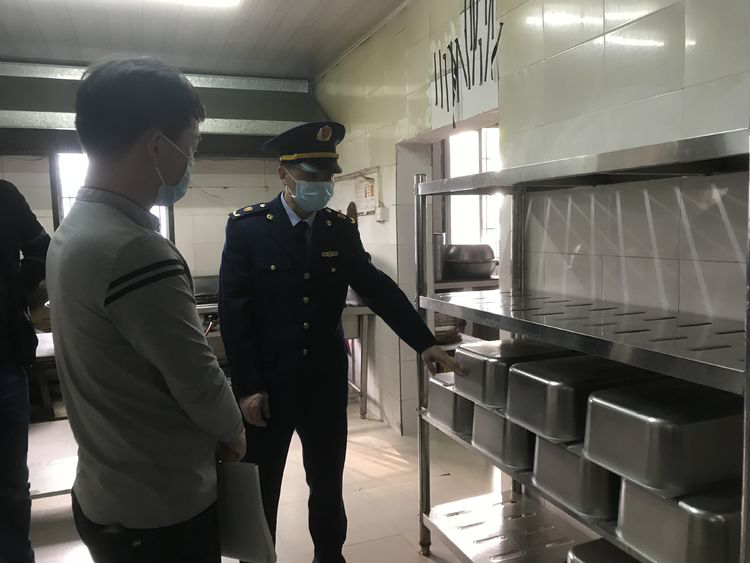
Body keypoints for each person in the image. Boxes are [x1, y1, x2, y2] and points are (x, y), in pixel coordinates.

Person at [219, 121, 460, 563]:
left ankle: (330, 557)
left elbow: (377, 288)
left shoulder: (338, 229)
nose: (322, 185)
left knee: (327, 483)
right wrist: (248, 386)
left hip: (324, 383)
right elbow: (235, 313)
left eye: (328, 176)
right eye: (311, 176)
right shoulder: (247, 228)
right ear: (284, 174)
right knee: (262, 485)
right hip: (268, 387)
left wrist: (424, 342)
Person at [46, 58, 245, 563]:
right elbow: (197, 378)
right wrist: (234, 430)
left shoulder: (73, 230)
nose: (190, 162)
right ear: (157, 146)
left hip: (105, 490)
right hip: (159, 508)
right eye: (191, 147)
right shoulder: (134, 249)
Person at [0, 179, 50, 563]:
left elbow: (41, 247)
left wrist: (14, 289)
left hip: (4, 362)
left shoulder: (4, 196)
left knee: (12, 486)